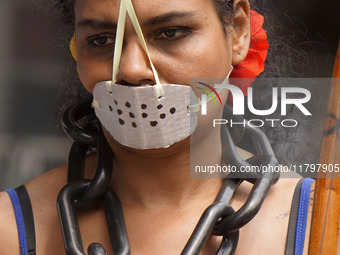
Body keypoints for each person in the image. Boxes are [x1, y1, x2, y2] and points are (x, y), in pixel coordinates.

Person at [0, 0, 318, 254]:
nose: (131, 69)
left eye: (170, 33)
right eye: (101, 40)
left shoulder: (322, 224)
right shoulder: (9, 230)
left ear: (238, 31)